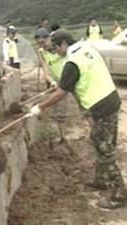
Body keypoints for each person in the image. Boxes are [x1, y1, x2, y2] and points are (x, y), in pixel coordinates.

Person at [30, 30, 127, 209]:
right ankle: (101, 180)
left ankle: (120, 194)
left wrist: (41, 107)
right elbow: (80, 77)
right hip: (112, 98)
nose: (56, 52)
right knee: (101, 142)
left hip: (101, 106)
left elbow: (62, 93)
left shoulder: (71, 62)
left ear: (63, 44)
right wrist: (63, 83)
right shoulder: (86, 48)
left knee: (105, 150)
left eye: (56, 48)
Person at [35, 28, 67, 140]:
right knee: (60, 111)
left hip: (72, 78)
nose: (42, 45)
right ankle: (63, 137)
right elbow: (46, 72)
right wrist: (52, 82)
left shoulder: (61, 45)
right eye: (39, 43)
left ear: (49, 37)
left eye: (43, 42)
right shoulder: (41, 52)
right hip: (59, 82)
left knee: (86, 108)